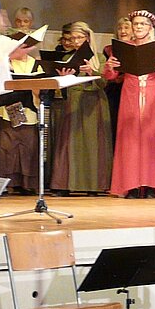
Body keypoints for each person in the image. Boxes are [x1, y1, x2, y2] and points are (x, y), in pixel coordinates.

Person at [103, 10, 155, 198]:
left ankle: (151, 184)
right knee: (130, 139)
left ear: (150, 28)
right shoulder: (122, 47)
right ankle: (131, 184)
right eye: (135, 24)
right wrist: (110, 66)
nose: (138, 27)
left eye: (142, 24)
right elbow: (110, 76)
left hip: (152, 93)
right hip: (130, 92)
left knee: (152, 139)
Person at [49, 21, 112, 195]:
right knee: (70, 143)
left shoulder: (99, 58)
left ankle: (93, 186)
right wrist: (63, 78)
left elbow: (104, 83)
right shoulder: (66, 58)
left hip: (94, 103)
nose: (76, 42)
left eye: (79, 38)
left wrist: (93, 72)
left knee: (92, 145)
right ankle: (65, 185)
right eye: (73, 38)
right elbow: (59, 88)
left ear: (87, 37)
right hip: (74, 101)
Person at [0, 44, 41, 194]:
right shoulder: (3, 62)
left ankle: (26, 184)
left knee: (27, 148)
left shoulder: (36, 64)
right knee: (5, 149)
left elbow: (43, 88)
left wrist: (36, 88)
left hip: (28, 110)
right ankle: (4, 183)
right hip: (5, 110)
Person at [103, 17, 133, 145]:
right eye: (120, 28)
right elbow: (106, 73)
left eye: (126, 28)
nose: (123, 31)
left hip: (132, 91)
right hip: (114, 91)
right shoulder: (109, 49)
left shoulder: (138, 48)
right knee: (114, 125)